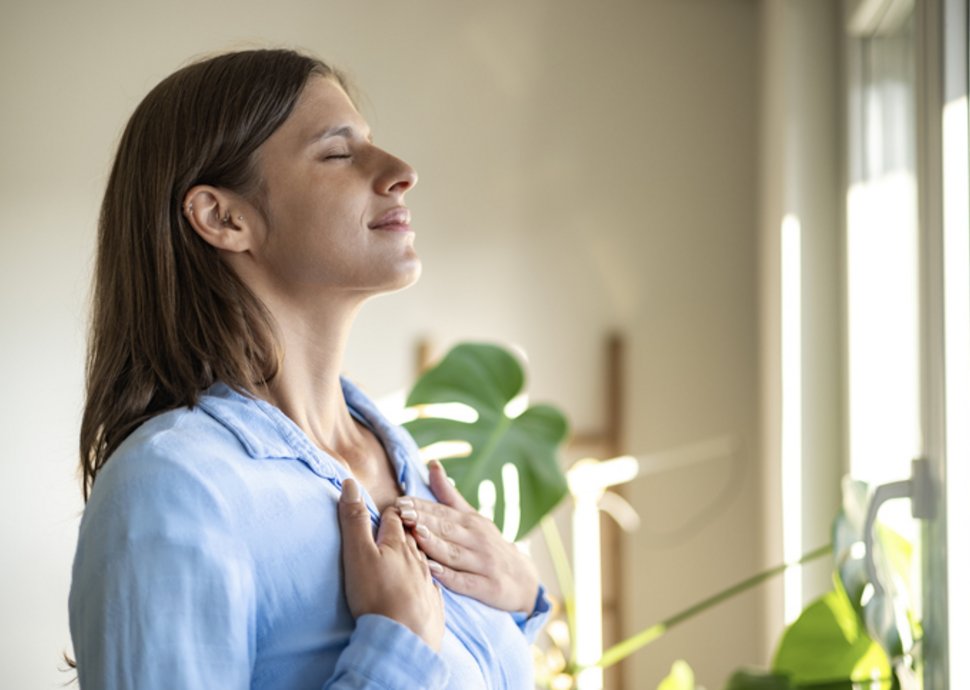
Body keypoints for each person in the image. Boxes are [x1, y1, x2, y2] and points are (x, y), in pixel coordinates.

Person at [68, 48, 549, 689]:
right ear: (223, 217)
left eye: (372, 145)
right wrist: (393, 651)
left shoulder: (400, 455)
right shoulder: (171, 489)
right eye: (337, 153)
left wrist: (520, 601)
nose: (402, 172)